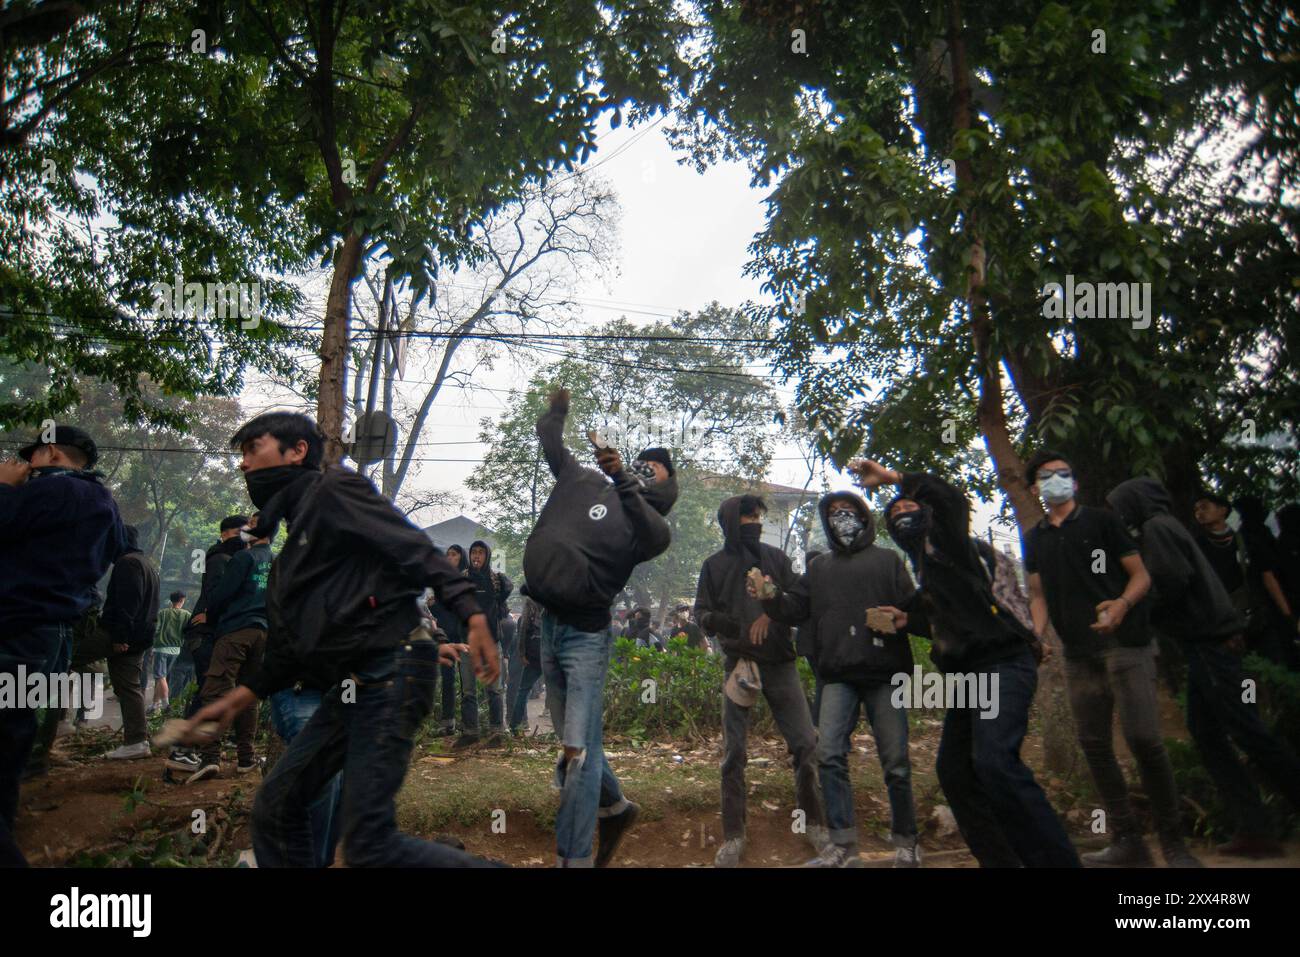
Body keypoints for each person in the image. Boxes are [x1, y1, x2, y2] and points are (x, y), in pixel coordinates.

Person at [180, 411, 500, 867]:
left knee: (371, 845)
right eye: (242, 455)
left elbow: (412, 548)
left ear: (297, 451)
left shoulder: (333, 489)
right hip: (356, 688)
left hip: (393, 674)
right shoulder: (294, 553)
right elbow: (298, 646)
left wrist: (472, 615)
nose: (244, 464)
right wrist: (242, 696)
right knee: (277, 806)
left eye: (254, 449)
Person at [852, 457, 1081, 868]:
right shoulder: (925, 566)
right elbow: (952, 616)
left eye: (910, 509)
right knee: (956, 772)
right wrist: (908, 620)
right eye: (895, 514)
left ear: (928, 516)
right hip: (968, 677)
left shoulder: (951, 542)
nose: (903, 515)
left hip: (1002, 663)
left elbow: (950, 499)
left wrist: (894, 478)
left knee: (995, 762)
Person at [521, 387, 677, 867]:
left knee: (578, 754)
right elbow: (550, 442)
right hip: (549, 625)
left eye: (655, 471)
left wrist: (625, 480)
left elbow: (652, 531)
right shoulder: (583, 480)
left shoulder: (648, 526)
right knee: (576, 740)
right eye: (640, 464)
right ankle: (615, 807)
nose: (644, 470)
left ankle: (573, 858)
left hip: (586, 638)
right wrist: (558, 411)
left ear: (664, 492)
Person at [1021, 450, 1196, 868]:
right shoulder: (1036, 538)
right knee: (1095, 745)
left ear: (1076, 484)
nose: (1056, 481)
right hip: (1079, 653)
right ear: (1035, 488)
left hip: (1127, 644)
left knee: (1144, 740)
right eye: (1047, 476)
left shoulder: (1103, 521)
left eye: (1064, 474)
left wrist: (1120, 605)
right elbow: (1038, 594)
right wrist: (1037, 634)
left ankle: (1175, 846)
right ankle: (1127, 842)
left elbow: (1141, 575)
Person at [1109, 477, 1300, 858]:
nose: (1117, 515)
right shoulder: (1167, 526)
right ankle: (1255, 828)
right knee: (1208, 733)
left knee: (1247, 731)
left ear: (1134, 503)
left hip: (1211, 642)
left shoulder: (1156, 528)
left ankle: (1263, 822)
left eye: (1119, 506)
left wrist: (1132, 608)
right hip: (1204, 645)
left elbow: (1171, 582)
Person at [755, 491, 921, 868]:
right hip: (837, 675)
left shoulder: (888, 561)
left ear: (864, 517)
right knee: (828, 755)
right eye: (833, 514)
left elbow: (913, 610)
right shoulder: (820, 568)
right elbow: (794, 607)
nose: (841, 518)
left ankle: (907, 843)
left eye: (848, 512)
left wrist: (904, 619)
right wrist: (768, 596)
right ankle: (844, 847)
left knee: (895, 760)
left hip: (884, 674)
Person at [0, 425, 126, 866]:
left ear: (49, 451)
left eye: (29, 457)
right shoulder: (105, 503)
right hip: (53, 637)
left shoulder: (43, 493)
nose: (23, 465)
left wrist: (4, 487)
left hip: (15, 630)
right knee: (13, 739)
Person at [696, 493, 828, 867]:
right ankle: (734, 836)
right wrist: (718, 623)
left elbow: (799, 603)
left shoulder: (777, 560)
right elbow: (700, 611)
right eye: (747, 516)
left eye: (758, 515)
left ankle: (814, 823)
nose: (755, 521)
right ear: (729, 523)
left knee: (805, 744)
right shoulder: (714, 566)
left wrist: (771, 614)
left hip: (780, 664)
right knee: (734, 753)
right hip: (740, 667)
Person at [190, 513, 273, 779]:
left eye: (249, 526)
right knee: (248, 694)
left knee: (216, 690)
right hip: (263, 633)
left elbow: (221, 594)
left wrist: (208, 614)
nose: (244, 529)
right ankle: (246, 758)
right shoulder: (278, 561)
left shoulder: (243, 558)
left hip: (235, 631)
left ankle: (210, 757)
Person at [67, 524, 159, 762]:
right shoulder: (148, 564)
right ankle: (137, 741)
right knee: (129, 688)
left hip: (117, 635)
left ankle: (47, 726)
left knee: (64, 659)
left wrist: (120, 637)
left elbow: (129, 603)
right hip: (139, 638)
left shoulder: (127, 563)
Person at [167, 514, 247, 773]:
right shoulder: (219, 558)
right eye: (240, 533)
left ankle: (190, 746)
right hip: (205, 635)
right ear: (225, 533)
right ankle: (183, 748)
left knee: (208, 690)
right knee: (208, 691)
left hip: (210, 634)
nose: (245, 539)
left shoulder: (231, 559)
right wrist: (211, 615)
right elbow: (216, 594)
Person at [1235, 495, 1296, 668]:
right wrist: (1287, 613)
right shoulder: (1258, 536)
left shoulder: (1249, 535)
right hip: (1273, 605)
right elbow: (1268, 576)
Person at [464, 539, 512, 746]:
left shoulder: (498, 580)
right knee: (468, 691)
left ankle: (496, 733)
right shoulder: (462, 580)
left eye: (480, 553)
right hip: (467, 643)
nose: (476, 556)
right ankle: (469, 732)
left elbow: (505, 596)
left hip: (492, 642)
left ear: (487, 556)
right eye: (473, 552)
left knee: (494, 689)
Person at [149, 591, 189, 714]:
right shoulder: (187, 615)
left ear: (171, 600)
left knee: (161, 677)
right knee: (161, 677)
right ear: (182, 600)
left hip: (161, 649)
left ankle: (166, 704)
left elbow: (156, 630)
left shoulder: (163, 613)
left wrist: (152, 646)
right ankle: (155, 705)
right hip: (176, 651)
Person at [510, 595, 545, 734]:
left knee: (523, 690)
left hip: (534, 656)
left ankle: (514, 726)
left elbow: (523, 628)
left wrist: (522, 654)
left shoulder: (530, 602)